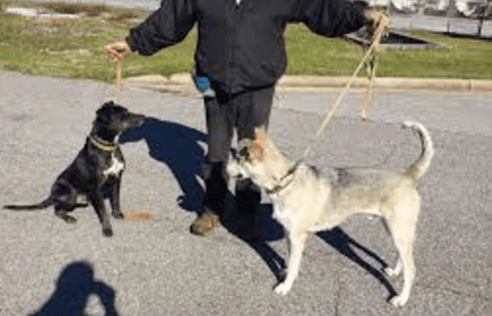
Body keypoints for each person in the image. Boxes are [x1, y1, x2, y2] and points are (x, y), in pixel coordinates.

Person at [104, 0, 389, 239]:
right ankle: (212, 209)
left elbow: (322, 6)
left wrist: (362, 15)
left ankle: (247, 212)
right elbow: (171, 17)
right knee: (216, 151)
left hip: (258, 84)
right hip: (215, 83)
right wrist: (132, 42)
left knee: (254, 153)